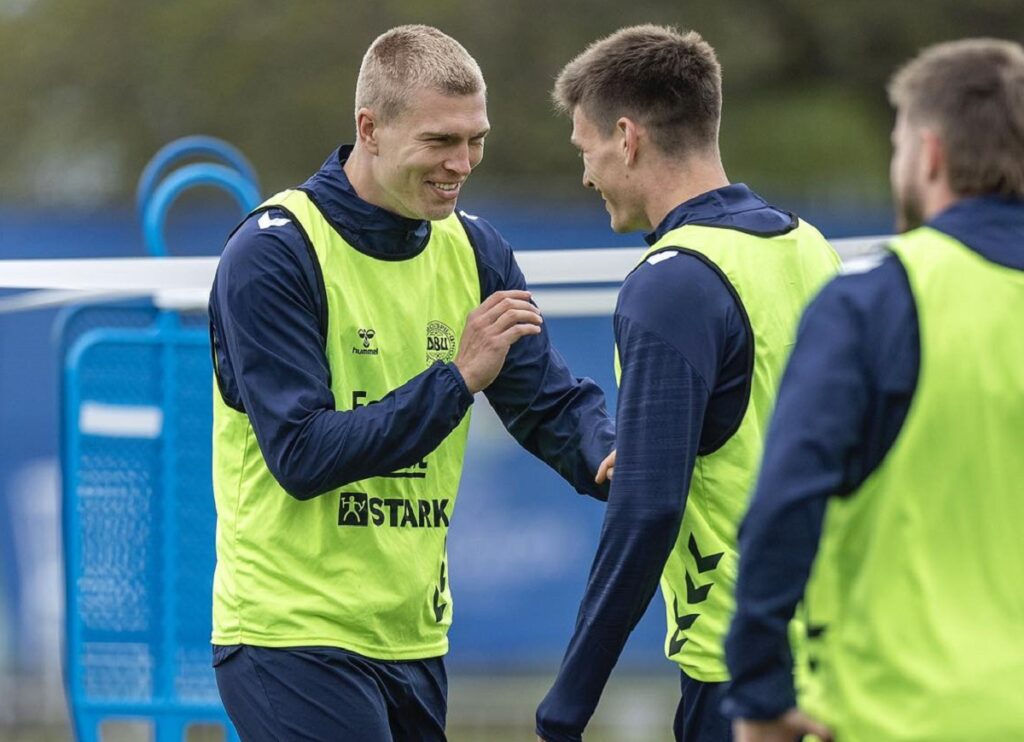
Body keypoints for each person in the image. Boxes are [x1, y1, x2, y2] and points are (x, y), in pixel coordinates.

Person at [207, 25, 614, 741]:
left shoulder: (475, 247)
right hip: (291, 635)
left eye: (475, 139)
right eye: (439, 141)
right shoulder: (275, 251)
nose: (462, 163)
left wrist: (617, 458)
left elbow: (545, 401)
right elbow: (302, 455)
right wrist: (456, 379)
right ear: (369, 129)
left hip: (413, 639)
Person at [535, 25, 839, 742]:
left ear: (627, 137)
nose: (586, 176)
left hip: (740, 676)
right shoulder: (810, 246)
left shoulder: (671, 283)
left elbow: (647, 510)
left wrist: (566, 705)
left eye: (587, 151)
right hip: (840, 654)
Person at [723, 38, 1024, 742]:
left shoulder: (878, 298)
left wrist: (760, 693)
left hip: (905, 712)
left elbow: (785, 504)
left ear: (928, 155)